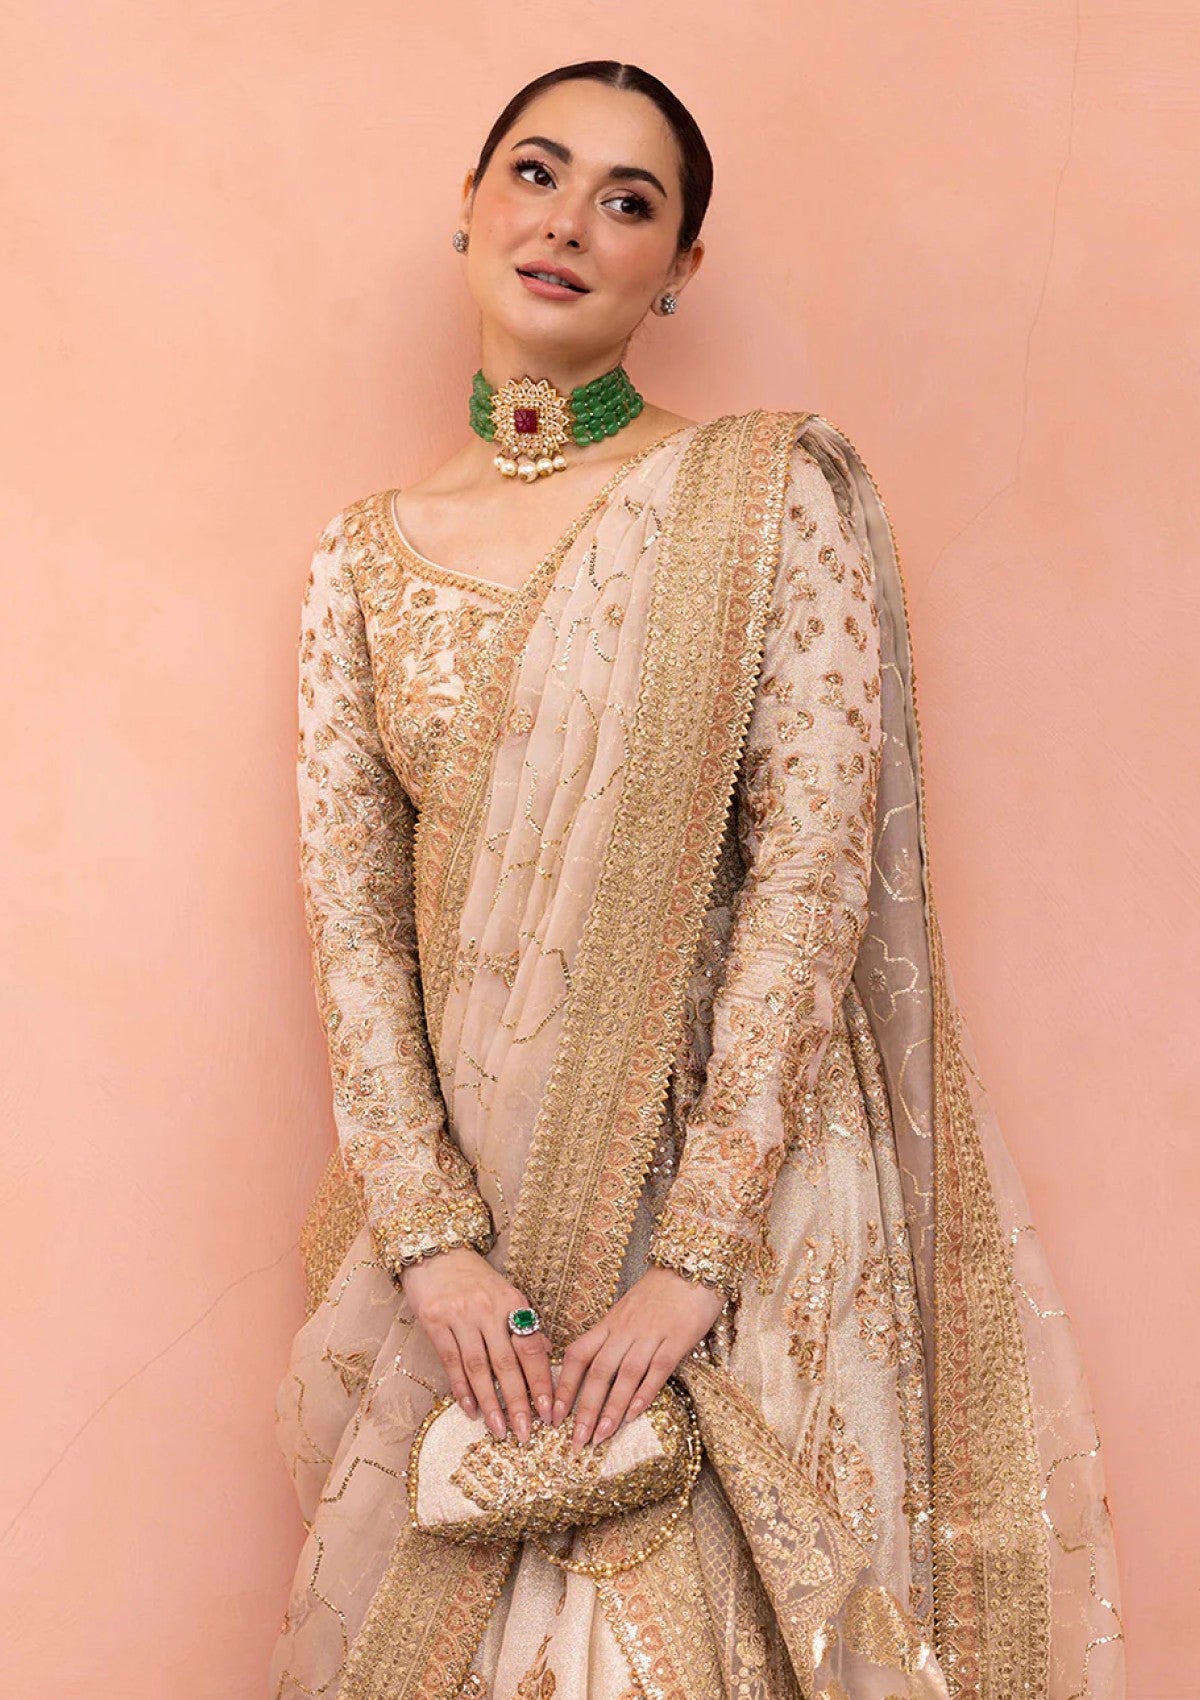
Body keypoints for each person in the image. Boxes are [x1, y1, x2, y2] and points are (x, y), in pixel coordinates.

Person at [269, 59, 1125, 1700]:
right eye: (536, 174)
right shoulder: (358, 562)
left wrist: (695, 1261)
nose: (567, 225)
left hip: (730, 1231)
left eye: (629, 201)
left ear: (680, 269)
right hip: (466, 1258)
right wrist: (434, 1248)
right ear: (468, 205)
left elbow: (811, 879)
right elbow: (353, 928)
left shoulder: (763, 498)